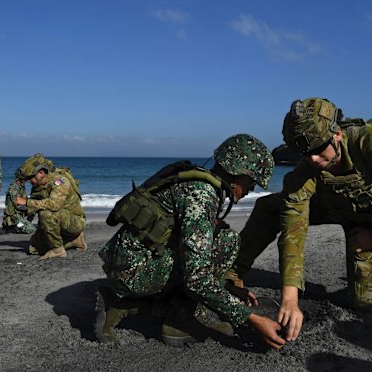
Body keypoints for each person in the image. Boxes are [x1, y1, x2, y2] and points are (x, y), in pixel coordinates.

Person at [227, 97, 372, 343]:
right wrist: (290, 299)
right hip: (328, 207)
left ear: (337, 135)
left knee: (366, 301)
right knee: (269, 207)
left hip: (371, 219)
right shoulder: (306, 170)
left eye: (319, 149)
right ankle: (231, 272)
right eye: (305, 152)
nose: (313, 159)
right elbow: (294, 228)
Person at [96, 134, 286, 349]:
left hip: (130, 263)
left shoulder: (195, 182)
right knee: (225, 244)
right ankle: (152, 311)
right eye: (251, 181)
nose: (251, 189)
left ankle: (173, 311)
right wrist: (251, 319)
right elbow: (196, 278)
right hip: (130, 274)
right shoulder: (201, 195)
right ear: (236, 173)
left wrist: (227, 287)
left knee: (224, 240)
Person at [14, 154, 87, 260]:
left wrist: (26, 202)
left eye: (30, 177)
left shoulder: (60, 181)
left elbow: (54, 205)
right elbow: (35, 206)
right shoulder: (37, 187)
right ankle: (74, 241)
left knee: (46, 213)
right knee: (34, 248)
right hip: (58, 221)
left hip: (75, 222)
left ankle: (58, 250)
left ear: (41, 173)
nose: (29, 181)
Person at [0, 167, 36, 234]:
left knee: (34, 208)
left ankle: (25, 223)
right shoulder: (13, 188)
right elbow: (17, 205)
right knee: (31, 229)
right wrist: (28, 207)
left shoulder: (21, 186)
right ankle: (13, 228)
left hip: (19, 213)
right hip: (14, 216)